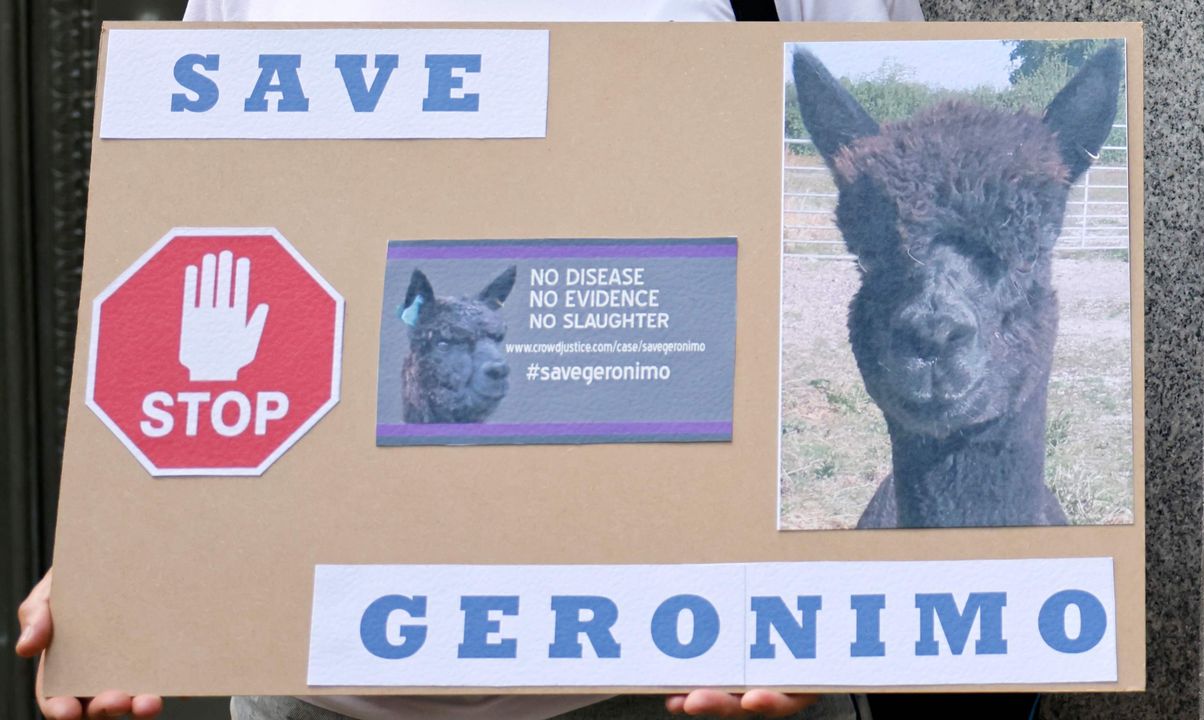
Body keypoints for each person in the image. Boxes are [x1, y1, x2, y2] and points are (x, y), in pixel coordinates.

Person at [16, 0, 924, 717]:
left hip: (678, 675)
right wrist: (124, 550)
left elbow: (892, 244)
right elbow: (194, 248)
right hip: (319, 686)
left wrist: (845, 596)